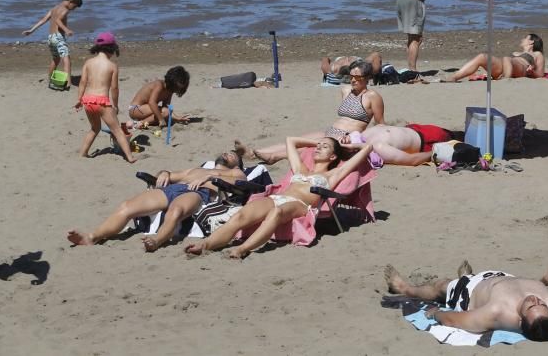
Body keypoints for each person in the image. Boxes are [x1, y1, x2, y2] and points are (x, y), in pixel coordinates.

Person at [184, 138, 373, 258]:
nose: (318, 148)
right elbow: (290, 141)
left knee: (277, 211)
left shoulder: (333, 175)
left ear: (332, 157)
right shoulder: (301, 169)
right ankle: (205, 245)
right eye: (318, 145)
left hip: (300, 205)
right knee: (240, 217)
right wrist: (315, 142)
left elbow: (368, 148)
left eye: (324, 147)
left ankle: (243, 249)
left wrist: (347, 146)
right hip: (278, 197)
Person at [66, 151, 245, 251]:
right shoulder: (196, 169)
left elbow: (238, 183)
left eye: (232, 155)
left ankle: (157, 241)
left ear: (237, 164)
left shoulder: (235, 172)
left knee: (176, 210)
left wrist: (209, 178)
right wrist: (165, 173)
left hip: (200, 192)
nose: (226, 152)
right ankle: (91, 237)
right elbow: (172, 174)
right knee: (127, 207)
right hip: (175, 188)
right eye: (226, 151)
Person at [385, 263, 548, 341]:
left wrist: (436, 313)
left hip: (467, 290)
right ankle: (468, 275)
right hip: (498, 277)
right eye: (542, 305)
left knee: (441, 286)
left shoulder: (496, 312)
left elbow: (456, 320)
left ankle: (404, 288)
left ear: (520, 320)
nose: (535, 300)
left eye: (532, 306)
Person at [242, 60, 384, 161]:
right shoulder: (346, 91)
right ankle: (253, 153)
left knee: (308, 149)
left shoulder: (373, 97)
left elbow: (380, 125)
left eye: (357, 77)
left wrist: (356, 139)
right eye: (351, 76)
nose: (352, 80)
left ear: (366, 78)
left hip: (346, 138)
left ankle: (274, 157)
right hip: (331, 131)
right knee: (297, 140)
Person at [240, 123, 450, 167]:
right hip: (428, 136)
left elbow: (411, 160)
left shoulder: (373, 144)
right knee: (321, 134)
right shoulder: (375, 146)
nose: (345, 139)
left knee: (322, 136)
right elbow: (412, 159)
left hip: (423, 132)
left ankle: (273, 155)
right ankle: (267, 154)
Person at [74, 32, 137, 162]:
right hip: (102, 102)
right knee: (117, 130)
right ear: (111, 48)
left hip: (88, 100)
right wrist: (115, 104)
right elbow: (114, 88)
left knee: (94, 129)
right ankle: (130, 157)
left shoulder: (88, 62)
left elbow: (82, 82)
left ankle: (83, 153)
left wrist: (79, 99)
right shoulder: (112, 66)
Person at [397, 0, 459, 72]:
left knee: (412, 37)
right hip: (414, 1)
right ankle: (413, 71)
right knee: (416, 39)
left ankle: (410, 69)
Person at [22, 0, 83, 82]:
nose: (73, 9)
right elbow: (58, 20)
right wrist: (66, 30)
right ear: (70, 1)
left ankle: (51, 80)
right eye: (74, 7)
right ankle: (68, 83)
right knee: (66, 59)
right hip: (59, 37)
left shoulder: (54, 8)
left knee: (56, 59)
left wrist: (31, 30)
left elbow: (43, 20)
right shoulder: (65, 10)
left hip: (51, 38)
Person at [442, 33, 545, 82]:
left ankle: (505, 81)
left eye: (525, 38)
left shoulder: (537, 54)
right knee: (482, 57)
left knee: (507, 58)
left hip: (521, 68)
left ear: (532, 41)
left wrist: (532, 73)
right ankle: (454, 77)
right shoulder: (516, 52)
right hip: (504, 67)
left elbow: (540, 74)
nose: (522, 39)